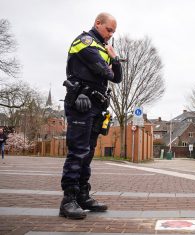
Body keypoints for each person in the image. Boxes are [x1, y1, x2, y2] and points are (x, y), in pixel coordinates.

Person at [60, 12, 122, 219]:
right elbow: (108, 74)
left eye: (113, 31)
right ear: (98, 23)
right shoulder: (85, 42)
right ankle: (68, 200)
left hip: (96, 106)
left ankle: (83, 195)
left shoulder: (103, 47)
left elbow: (118, 78)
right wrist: (112, 61)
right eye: (108, 30)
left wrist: (115, 60)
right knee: (78, 151)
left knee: (88, 153)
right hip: (81, 102)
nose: (110, 35)